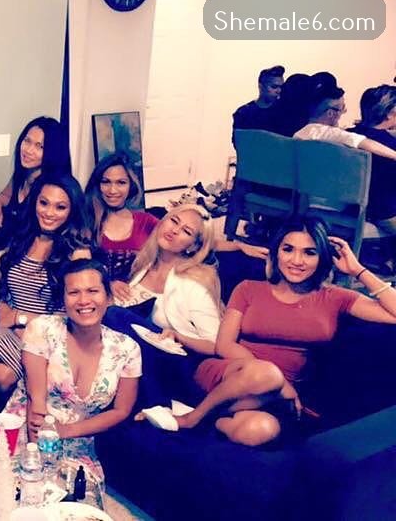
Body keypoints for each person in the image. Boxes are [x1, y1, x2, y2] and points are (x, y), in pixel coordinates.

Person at [178, 218, 396, 446]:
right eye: (288, 249)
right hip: (229, 374)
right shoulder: (248, 289)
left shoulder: (335, 297)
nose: (297, 261)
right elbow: (224, 345)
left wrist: (358, 270)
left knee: (259, 430)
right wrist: (280, 383)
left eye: (309, 252)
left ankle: (211, 419)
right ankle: (192, 418)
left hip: (272, 398)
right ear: (277, 252)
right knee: (266, 374)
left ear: (322, 257)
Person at [3, 259, 141, 490]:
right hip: (28, 432)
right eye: (74, 292)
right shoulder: (43, 329)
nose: (84, 300)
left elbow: (121, 410)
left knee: (80, 501)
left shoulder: (127, 348)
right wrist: (40, 469)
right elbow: (37, 403)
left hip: (79, 441)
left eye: (93, 291)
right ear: (63, 300)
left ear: (108, 297)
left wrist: (67, 431)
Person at [0, 173, 91, 420]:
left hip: (50, 339)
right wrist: (2, 308)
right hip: (12, 334)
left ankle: (3, 427)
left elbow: (77, 314)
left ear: (72, 211)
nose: (49, 213)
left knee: (2, 375)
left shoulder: (77, 253)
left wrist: (21, 318)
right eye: (44, 203)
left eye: (60, 207)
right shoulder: (23, 239)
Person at [122, 204, 223, 356]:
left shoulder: (194, 284)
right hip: (130, 351)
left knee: (114, 315)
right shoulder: (142, 263)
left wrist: (178, 337)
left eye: (186, 231)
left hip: (172, 357)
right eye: (174, 221)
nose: (175, 230)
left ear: (193, 246)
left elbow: (216, 344)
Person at [86, 152, 159, 289]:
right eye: (106, 182)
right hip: (97, 297)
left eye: (121, 182)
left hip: (140, 297)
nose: (112, 190)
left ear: (131, 185)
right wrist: (106, 285)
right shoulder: (85, 222)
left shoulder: (147, 222)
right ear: (97, 185)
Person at [0, 116, 71, 230]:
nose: (28, 150)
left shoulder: (52, 189)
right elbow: (4, 196)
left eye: (40, 146)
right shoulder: (24, 173)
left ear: (53, 152)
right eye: (27, 141)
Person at [292, 73, 396, 160]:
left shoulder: (299, 134)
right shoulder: (327, 133)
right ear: (330, 113)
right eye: (342, 108)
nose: (344, 111)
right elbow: (360, 141)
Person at [348, 85, 396, 235]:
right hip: (386, 214)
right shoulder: (390, 145)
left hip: (352, 208)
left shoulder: (348, 136)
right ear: (389, 113)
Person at [232, 65, 285, 141]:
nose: (279, 90)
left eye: (281, 87)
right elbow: (239, 143)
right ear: (261, 86)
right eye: (274, 87)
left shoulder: (284, 112)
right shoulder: (244, 113)